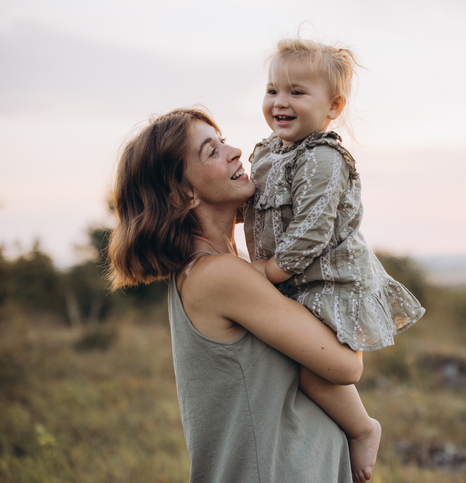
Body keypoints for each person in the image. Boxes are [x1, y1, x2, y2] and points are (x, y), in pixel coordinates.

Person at [107, 107, 362, 483]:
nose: (235, 151)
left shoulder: (213, 270)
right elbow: (346, 366)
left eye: (222, 140)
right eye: (211, 152)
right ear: (182, 194)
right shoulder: (221, 275)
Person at [245, 38, 426, 483]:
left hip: (327, 282)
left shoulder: (323, 159)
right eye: (273, 90)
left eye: (296, 92)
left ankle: (363, 428)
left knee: (314, 372)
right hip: (294, 282)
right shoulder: (269, 152)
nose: (280, 102)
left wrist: (267, 273)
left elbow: (312, 230)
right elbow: (253, 202)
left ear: (334, 106)